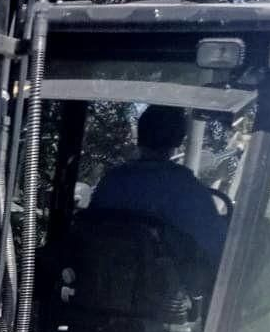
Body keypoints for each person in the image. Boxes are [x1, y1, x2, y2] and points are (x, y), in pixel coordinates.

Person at [89, 104, 228, 262]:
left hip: (99, 279)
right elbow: (219, 249)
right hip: (156, 284)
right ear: (178, 138)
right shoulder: (184, 187)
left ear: (141, 135)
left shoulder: (112, 180)